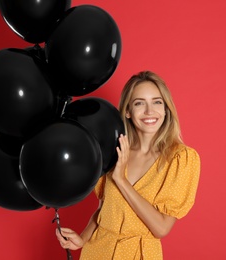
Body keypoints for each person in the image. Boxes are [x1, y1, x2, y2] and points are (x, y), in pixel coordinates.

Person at [56, 71, 200, 259]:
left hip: (138, 254)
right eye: (139, 103)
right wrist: (82, 239)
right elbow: (104, 209)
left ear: (166, 108)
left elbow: (161, 228)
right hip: (98, 251)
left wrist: (122, 181)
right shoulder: (114, 150)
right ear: (128, 111)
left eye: (157, 102)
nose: (150, 111)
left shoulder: (180, 159)